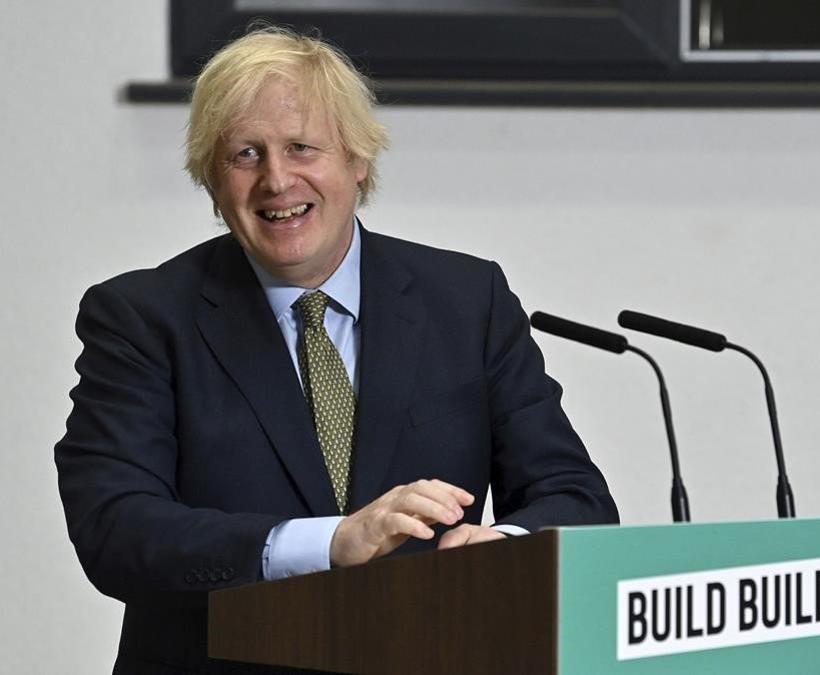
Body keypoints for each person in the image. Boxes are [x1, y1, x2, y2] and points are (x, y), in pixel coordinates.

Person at [55, 25, 617, 673]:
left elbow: (576, 498)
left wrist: (503, 547)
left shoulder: (467, 300)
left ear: (357, 158)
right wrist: (330, 541)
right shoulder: (141, 317)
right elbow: (118, 530)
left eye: (301, 147)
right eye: (245, 154)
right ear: (212, 179)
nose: (276, 179)